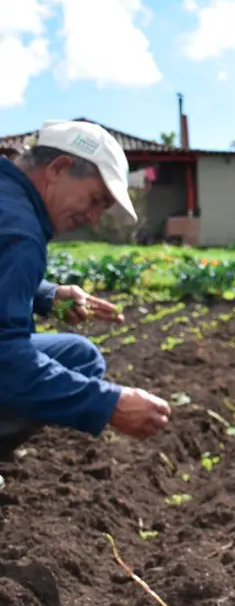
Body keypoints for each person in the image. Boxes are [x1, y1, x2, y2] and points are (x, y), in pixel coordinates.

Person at [0, 121, 173, 482]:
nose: (94, 218)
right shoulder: (18, 230)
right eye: (96, 199)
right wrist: (107, 403)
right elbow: (6, 362)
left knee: (79, 355)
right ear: (59, 169)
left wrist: (47, 294)